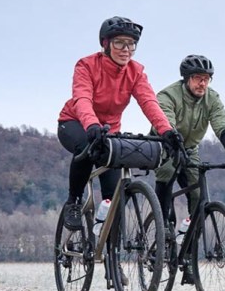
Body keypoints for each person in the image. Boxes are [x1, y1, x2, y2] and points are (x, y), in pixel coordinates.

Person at [57, 16, 184, 230]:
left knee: (116, 194)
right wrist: (92, 126)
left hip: (108, 132)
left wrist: (167, 131)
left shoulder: (136, 72)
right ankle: (74, 202)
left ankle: (107, 240)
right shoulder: (86, 65)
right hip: (75, 123)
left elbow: (149, 102)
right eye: (119, 43)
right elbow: (82, 98)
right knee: (86, 149)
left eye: (131, 44)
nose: (126, 49)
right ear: (105, 44)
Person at [152, 54, 225, 227]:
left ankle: (190, 241)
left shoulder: (212, 98)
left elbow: (223, 128)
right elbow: (167, 125)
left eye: (206, 79)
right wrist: (174, 146)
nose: (202, 84)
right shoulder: (168, 95)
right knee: (167, 174)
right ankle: (162, 231)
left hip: (190, 149)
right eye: (198, 78)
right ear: (186, 79)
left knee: (199, 195)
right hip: (167, 144)